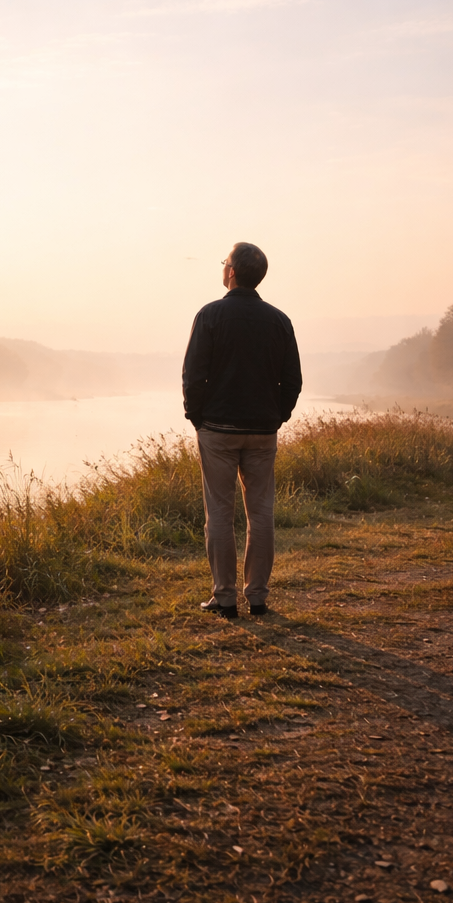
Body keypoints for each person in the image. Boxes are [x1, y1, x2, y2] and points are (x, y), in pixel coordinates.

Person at [182, 242, 302, 620]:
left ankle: (225, 598)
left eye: (225, 263)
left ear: (231, 272)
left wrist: (197, 417)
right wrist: (276, 417)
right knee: (261, 513)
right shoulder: (279, 321)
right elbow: (292, 380)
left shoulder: (210, 315)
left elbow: (192, 375)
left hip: (217, 429)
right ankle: (259, 597)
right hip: (263, 431)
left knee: (219, 512)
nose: (223, 268)